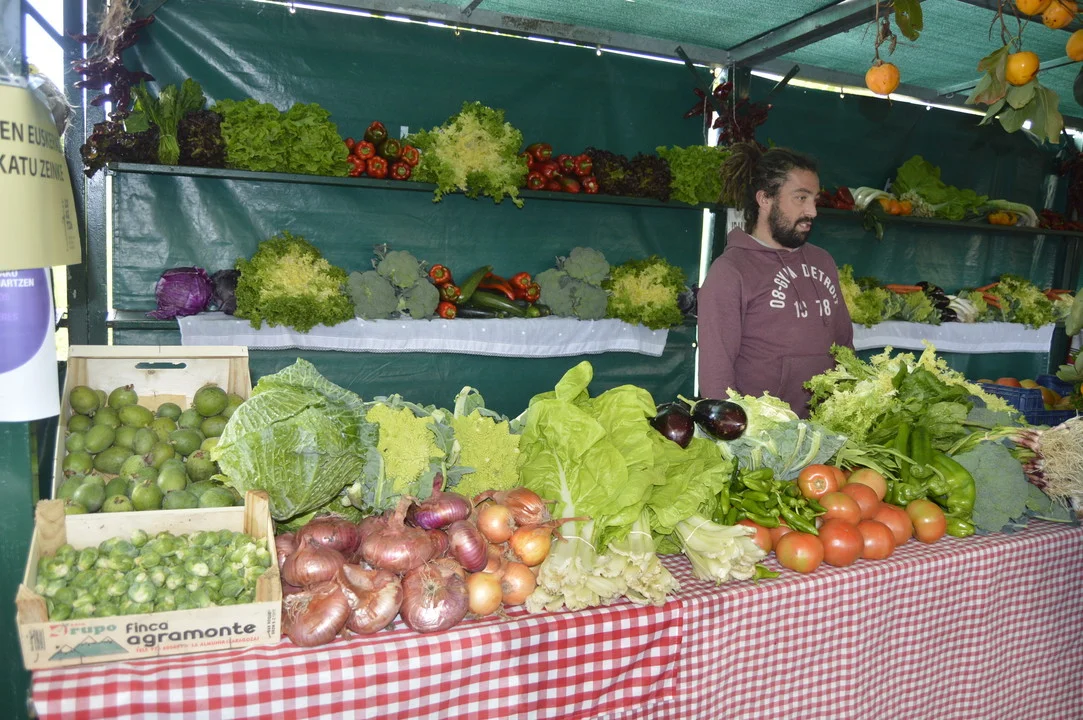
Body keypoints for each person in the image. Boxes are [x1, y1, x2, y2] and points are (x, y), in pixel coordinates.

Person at [697, 143, 853, 418]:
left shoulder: (823, 261)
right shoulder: (730, 271)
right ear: (765, 199)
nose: (813, 211)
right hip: (762, 432)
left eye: (814, 199)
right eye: (801, 198)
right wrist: (733, 430)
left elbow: (845, 346)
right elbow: (715, 373)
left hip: (826, 426)